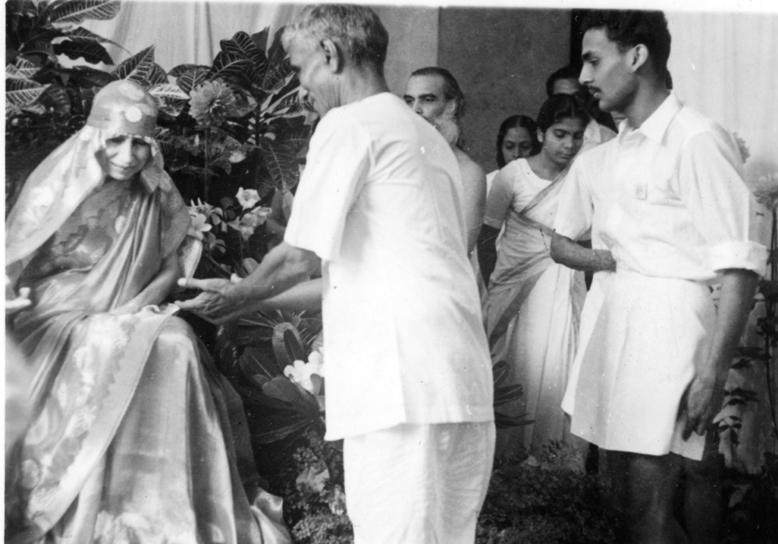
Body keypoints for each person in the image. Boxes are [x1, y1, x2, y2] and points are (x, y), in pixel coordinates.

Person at [177, 5, 495, 544]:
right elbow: (355, 276)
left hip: (400, 388)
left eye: (301, 68)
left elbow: (299, 254)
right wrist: (247, 299)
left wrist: (237, 294)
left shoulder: (350, 124)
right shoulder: (425, 137)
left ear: (331, 53)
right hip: (456, 380)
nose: (302, 87)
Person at [4, 80, 290, 544]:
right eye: (116, 140)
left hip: (130, 307)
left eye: (140, 143)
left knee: (175, 341)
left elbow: (169, 267)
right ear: (94, 136)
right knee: (108, 343)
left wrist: (135, 309)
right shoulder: (57, 188)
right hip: (58, 311)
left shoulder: (153, 191)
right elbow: (14, 262)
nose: (127, 155)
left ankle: (162, 506)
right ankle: (85, 500)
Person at [550, 10, 766, 543]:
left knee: (649, 507)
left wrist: (712, 374)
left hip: (669, 325)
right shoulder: (619, 149)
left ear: (637, 56)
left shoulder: (695, 139)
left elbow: (739, 265)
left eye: (594, 60)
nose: (584, 76)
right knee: (626, 503)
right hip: (620, 316)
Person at [477, 94, 589, 456]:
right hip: (515, 294)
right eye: (560, 134)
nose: (569, 144)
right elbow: (486, 238)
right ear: (541, 133)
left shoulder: (583, 175)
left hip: (563, 288)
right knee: (516, 368)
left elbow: (585, 239)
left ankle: (554, 463)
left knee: (558, 368)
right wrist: (498, 289)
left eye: (576, 135)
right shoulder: (513, 175)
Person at [403, 66, 486, 253]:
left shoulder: (468, 173)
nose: (415, 110)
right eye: (409, 101)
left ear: (451, 106)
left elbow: (460, 249)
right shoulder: (399, 160)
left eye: (427, 100)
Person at [546, 64, 616, 151]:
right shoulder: (541, 137)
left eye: (576, 96)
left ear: (587, 98)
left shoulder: (609, 140)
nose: (569, 102)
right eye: (562, 97)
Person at [486, 114, 539, 195]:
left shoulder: (546, 185)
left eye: (525, 147)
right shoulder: (488, 183)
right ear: (500, 148)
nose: (517, 154)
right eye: (509, 147)